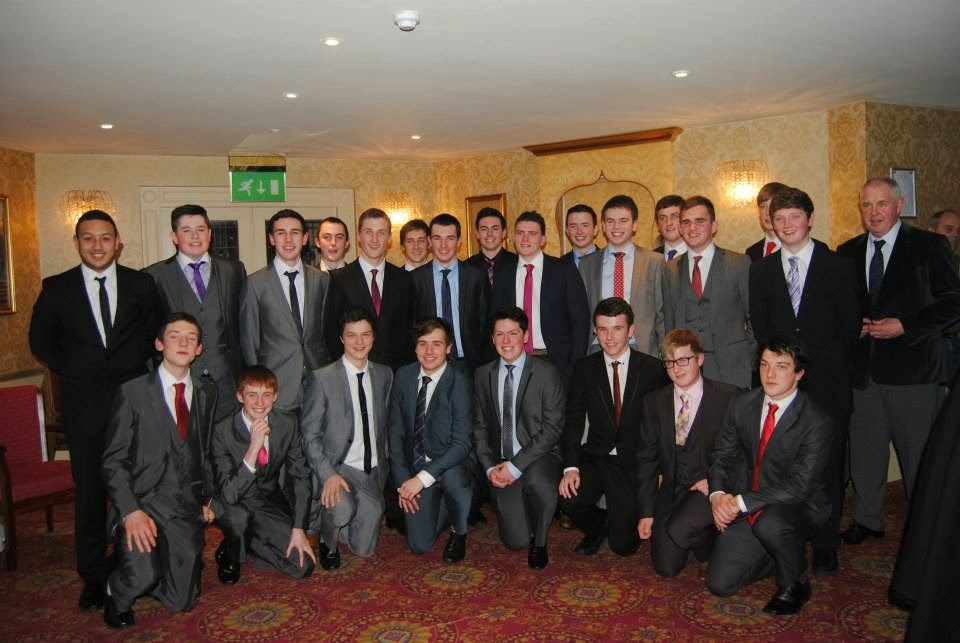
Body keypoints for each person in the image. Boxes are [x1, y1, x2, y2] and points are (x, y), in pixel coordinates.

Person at [29, 209, 162, 613]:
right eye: (88, 238)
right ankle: (92, 575)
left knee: (136, 486)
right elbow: (41, 342)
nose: (98, 245)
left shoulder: (141, 284)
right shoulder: (57, 288)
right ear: (77, 243)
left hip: (133, 404)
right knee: (90, 491)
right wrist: (77, 369)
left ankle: (134, 563)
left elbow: (154, 333)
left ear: (118, 242)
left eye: (105, 237)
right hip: (84, 407)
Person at [837, 177, 960, 544]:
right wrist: (852, 326)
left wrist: (905, 325)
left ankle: (924, 528)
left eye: (882, 204)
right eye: (867, 205)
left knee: (918, 455)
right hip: (864, 374)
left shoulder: (928, 246)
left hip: (914, 371)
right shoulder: (847, 251)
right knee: (866, 452)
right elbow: (842, 306)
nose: (873, 212)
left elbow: (953, 302)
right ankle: (868, 519)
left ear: (899, 205)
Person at [748, 186, 860, 574]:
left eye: (795, 216)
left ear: (810, 219)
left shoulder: (839, 266)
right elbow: (762, 328)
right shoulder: (761, 270)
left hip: (828, 382)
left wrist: (811, 364)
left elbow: (849, 327)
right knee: (781, 463)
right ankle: (784, 536)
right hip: (780, 386)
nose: (787, 224)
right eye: (779, 218)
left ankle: (826, 542)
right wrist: (783, 371)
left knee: (827, 465)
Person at [101, 313, 219, 628]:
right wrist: (130, 511)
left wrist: (207, 499)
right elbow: (113, 460)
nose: (183, 342)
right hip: (143, 503)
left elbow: (204, 452)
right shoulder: (133, 392)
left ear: (199, 349)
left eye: (191, 338)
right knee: (142, 576)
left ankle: (155, 563)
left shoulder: (207, 393)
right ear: (159, 344)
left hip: (184, 506)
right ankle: (116, 587)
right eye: (174, 335)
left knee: (183, 600)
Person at [706, 335, 832, 616]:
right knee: (720, 584)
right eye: (764, 364)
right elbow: (722, 454)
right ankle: (779, 554)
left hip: (798, 506)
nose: (770, 374)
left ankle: (795, 582)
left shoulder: (816, 420)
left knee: (771, 525)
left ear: (799, 373)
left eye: (781, 366)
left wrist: (739, 503)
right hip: (750, 503)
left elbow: (799, 486)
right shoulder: (742, 403)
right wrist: (717, 496)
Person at [560, 298, 668, 556]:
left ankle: (619, 521)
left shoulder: (653, 369)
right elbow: (574, 418)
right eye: (603, 329)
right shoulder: (585, 368)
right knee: (568, 499)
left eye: (617, 328)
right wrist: (570, 467)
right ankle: (598, 526)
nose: (609, 338)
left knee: (624, 546)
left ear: (631, 330)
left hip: (633, 461)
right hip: (597, 456)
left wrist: (660, 468)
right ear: (595, 331)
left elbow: (664, 425)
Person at [637, 329, 737, 578]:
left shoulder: (728, 397)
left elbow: (743, 452)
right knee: (666, 568)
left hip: (708, 489)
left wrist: (717, 483)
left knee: (680, 529)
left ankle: (711, 539)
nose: (676, 369)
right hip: (671, 488)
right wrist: (646, 512)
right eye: (670, 362)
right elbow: (647, 459)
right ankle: (698, 533)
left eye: (683, 360)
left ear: (700, 358)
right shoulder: (654, 402)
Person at [300, 307, 394, 569]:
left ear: (374, 337)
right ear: (341, 338)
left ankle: (346, 514)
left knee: (365, 549)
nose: (359, 342)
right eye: (351, 335)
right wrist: (327, 474)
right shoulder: (322, 378)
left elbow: (384, 425)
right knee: (341, 509)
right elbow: (310, 435)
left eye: (365, 334)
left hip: (371, 470)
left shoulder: (384, 374)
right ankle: (327, 538)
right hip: (338, 468)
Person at [473, 306, 564, 569]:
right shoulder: (482, 374)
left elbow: (552, 429)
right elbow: (479, 427)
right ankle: (523, 515)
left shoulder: (547, 373)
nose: (506, 341)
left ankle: (540, 541)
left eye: (512, 333)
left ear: (525, 336)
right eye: (499, 334)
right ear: (492, 339)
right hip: (501, 460)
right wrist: (489, 468)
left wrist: (516, 467)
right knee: (515, 541)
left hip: (539, 456)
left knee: (541, 487)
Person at [210, 365, 315, 584]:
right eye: (252, 395)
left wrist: (298, 527)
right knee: (238, 518)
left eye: (266, 395)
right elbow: (229, 494)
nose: (260, 403)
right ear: (240, 396)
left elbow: (300, 475)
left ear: (275, 396)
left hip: (267, 500)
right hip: (234, 501)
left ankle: (246, 541)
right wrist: (253, 449)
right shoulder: (222, 430)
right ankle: (233, 546)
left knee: (302, 566)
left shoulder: (287, 423)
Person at [145, 203, 246, 421]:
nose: (195, 236)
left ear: (210, 234)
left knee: (226, 439)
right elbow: (148, 334)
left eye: (200, 229)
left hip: (226, 382)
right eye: (186, 230)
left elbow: (243, 324)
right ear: (174, 237)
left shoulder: (233, 270)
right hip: (179, 381)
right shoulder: (154, 276)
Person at [388, 318, 474, 561]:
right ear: (415, 347)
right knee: (419, 545)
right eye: (422, 343)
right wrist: (403, 483)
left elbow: (461, 444)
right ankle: (447, 505)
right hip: (416, 467)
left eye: (436, 344)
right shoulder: (404, 376)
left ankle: (459, 529)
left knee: (454, 478)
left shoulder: (459, 382)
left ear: (448, 348)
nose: (428, 351)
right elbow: (395, 433)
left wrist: (422, 479)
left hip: (451, 465)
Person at [240, 209, 332, 411]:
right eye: (281, 233)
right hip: (276, 385)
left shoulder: (322, 280)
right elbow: (249, 342)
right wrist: (259, 385)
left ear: (305, 238)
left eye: (295, 232)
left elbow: (325, 334)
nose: (288, 239)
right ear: (271, 239)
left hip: (318, 381)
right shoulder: (255, 284)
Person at [662, 195, 755, 388]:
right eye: (686, 222)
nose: (692, 228)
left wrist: (748, 355)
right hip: (686, 368)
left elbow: (753, 316)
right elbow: (670, 322)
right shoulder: (670, 269)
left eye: (700, 221)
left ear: (714, 226)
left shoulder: (738, 263)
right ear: (680, 228)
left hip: (732, 366)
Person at [491, 210, 590, 378]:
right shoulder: (503, 272)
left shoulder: (563, 270)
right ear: (513, 238)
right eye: (520, 233)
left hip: (555, 361)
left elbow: (580, 321)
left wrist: (574, 367)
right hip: (513, 359)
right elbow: (495, 318)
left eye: (532, 234)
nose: (525, 239)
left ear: (543, 239)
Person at [326, 208, 416, 371]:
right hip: (353, 372)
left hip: (395, 372)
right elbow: (331, 333)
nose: (375, 239)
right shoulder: (339, 280)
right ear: (359, 237)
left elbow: (410, 330)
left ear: (389, 238)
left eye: (381, 232)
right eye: (368, 232)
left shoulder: (404, 279)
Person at [579, 195, 665, 357]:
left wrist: (664, 354)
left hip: (643, 349)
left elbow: (661, 314)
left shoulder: (654, 262)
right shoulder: (587, 264)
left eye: (623, 220)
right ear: (603, 226)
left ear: (634, 225)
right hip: (599, 349)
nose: (616, 226)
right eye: (610, 221)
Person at [410, 213, 490, 371]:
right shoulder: (415, 279)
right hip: (428, 363)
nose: (443, 245)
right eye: (437, 238)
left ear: (459, 242)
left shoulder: (476, 276)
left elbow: (484, 320)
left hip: (468, 363)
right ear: (429, 241)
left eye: (450, 238)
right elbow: (411, 325)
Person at [465, 206, 516, 289]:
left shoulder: (517, 264)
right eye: (484, 229)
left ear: (504, 233)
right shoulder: (466, 268)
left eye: (495, 229)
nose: (489, 234)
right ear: (477, 234)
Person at [745, 182, 789, 262]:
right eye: (763, 206)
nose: (767, 212)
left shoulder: (795, 248)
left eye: (773, 206)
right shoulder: (751, 252)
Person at [652, 194, 687, 260]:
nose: (669, 223)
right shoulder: (650, 259)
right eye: (663, 218)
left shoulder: (698, 255)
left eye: (674, 216)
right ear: (658, 225)